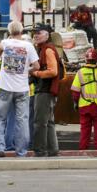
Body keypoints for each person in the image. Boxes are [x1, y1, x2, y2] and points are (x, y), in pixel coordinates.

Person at [0, 22, 38, 158]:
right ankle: (21, 151)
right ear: (22, 30)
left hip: (6, 87)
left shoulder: (4, 43)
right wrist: (26, 71)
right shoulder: (28, 46)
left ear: (9, 31)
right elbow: (36, 66)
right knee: (22, 120)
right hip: (22, 88)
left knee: (0, 118)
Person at [30, 24, 63, 157]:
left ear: (47, 35)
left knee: (40, 122)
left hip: (45, 90)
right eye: (34, 33)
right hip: (47, 90)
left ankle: (40, 150)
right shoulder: (43, 49)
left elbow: (53, 71)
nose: (36, 35)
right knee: (48, 122)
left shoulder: (47, 50)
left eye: (39, 33)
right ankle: (52, 149)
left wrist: (36, 73)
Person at [71, 50, 97, 150]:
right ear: (96, 59)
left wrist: (75, 102)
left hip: (83, 106)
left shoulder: (80, 72)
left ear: (86, 59)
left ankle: (83, 150)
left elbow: (75, 91)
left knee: (85, 130)